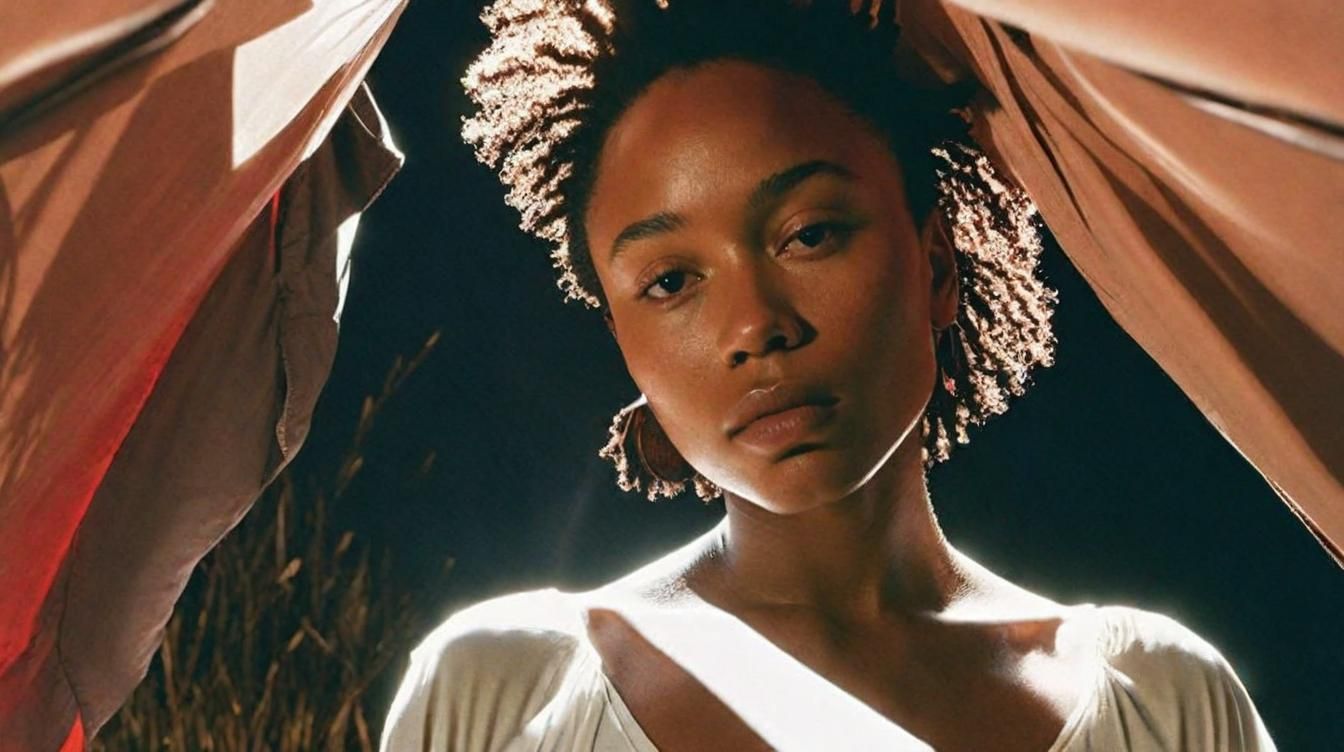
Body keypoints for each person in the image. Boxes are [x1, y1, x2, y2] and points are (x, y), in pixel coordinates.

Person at [381, 1, 1277, 749]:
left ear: (936, 264)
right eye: (671, 281)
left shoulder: (1157, 703)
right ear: (623, 337)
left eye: (809, 234)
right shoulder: (505, 695)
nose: (756, 326)